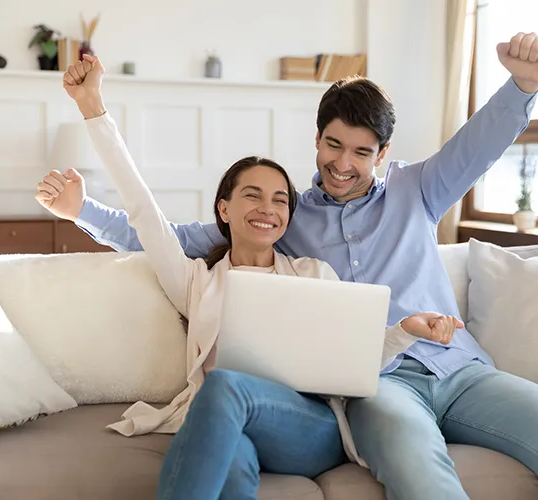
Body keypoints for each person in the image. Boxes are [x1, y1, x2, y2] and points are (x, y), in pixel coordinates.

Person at [39, 32, 538, 499]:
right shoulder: (284, 220)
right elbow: (159, 235)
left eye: (361, 152)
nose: (343, 163)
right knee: (421, 476)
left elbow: (476, 147)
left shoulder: (418, 190)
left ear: (383, 154)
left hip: (462, 369)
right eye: (332, 145)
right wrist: (81, 211)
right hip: (379, 387)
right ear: (316, 139)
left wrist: (522, 86)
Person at [52, 53, 464, 500]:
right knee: (226, 462)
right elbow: (144, 214)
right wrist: (92, 107)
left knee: (226, 385)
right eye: (252, 195)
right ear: (225, 209)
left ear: (289, 216)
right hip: (223, 419)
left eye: (280, 200)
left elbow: (355, 361)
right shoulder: (197, 282)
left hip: (309, 429)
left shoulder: (312, 274)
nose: (267, 208)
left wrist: (404, 331)